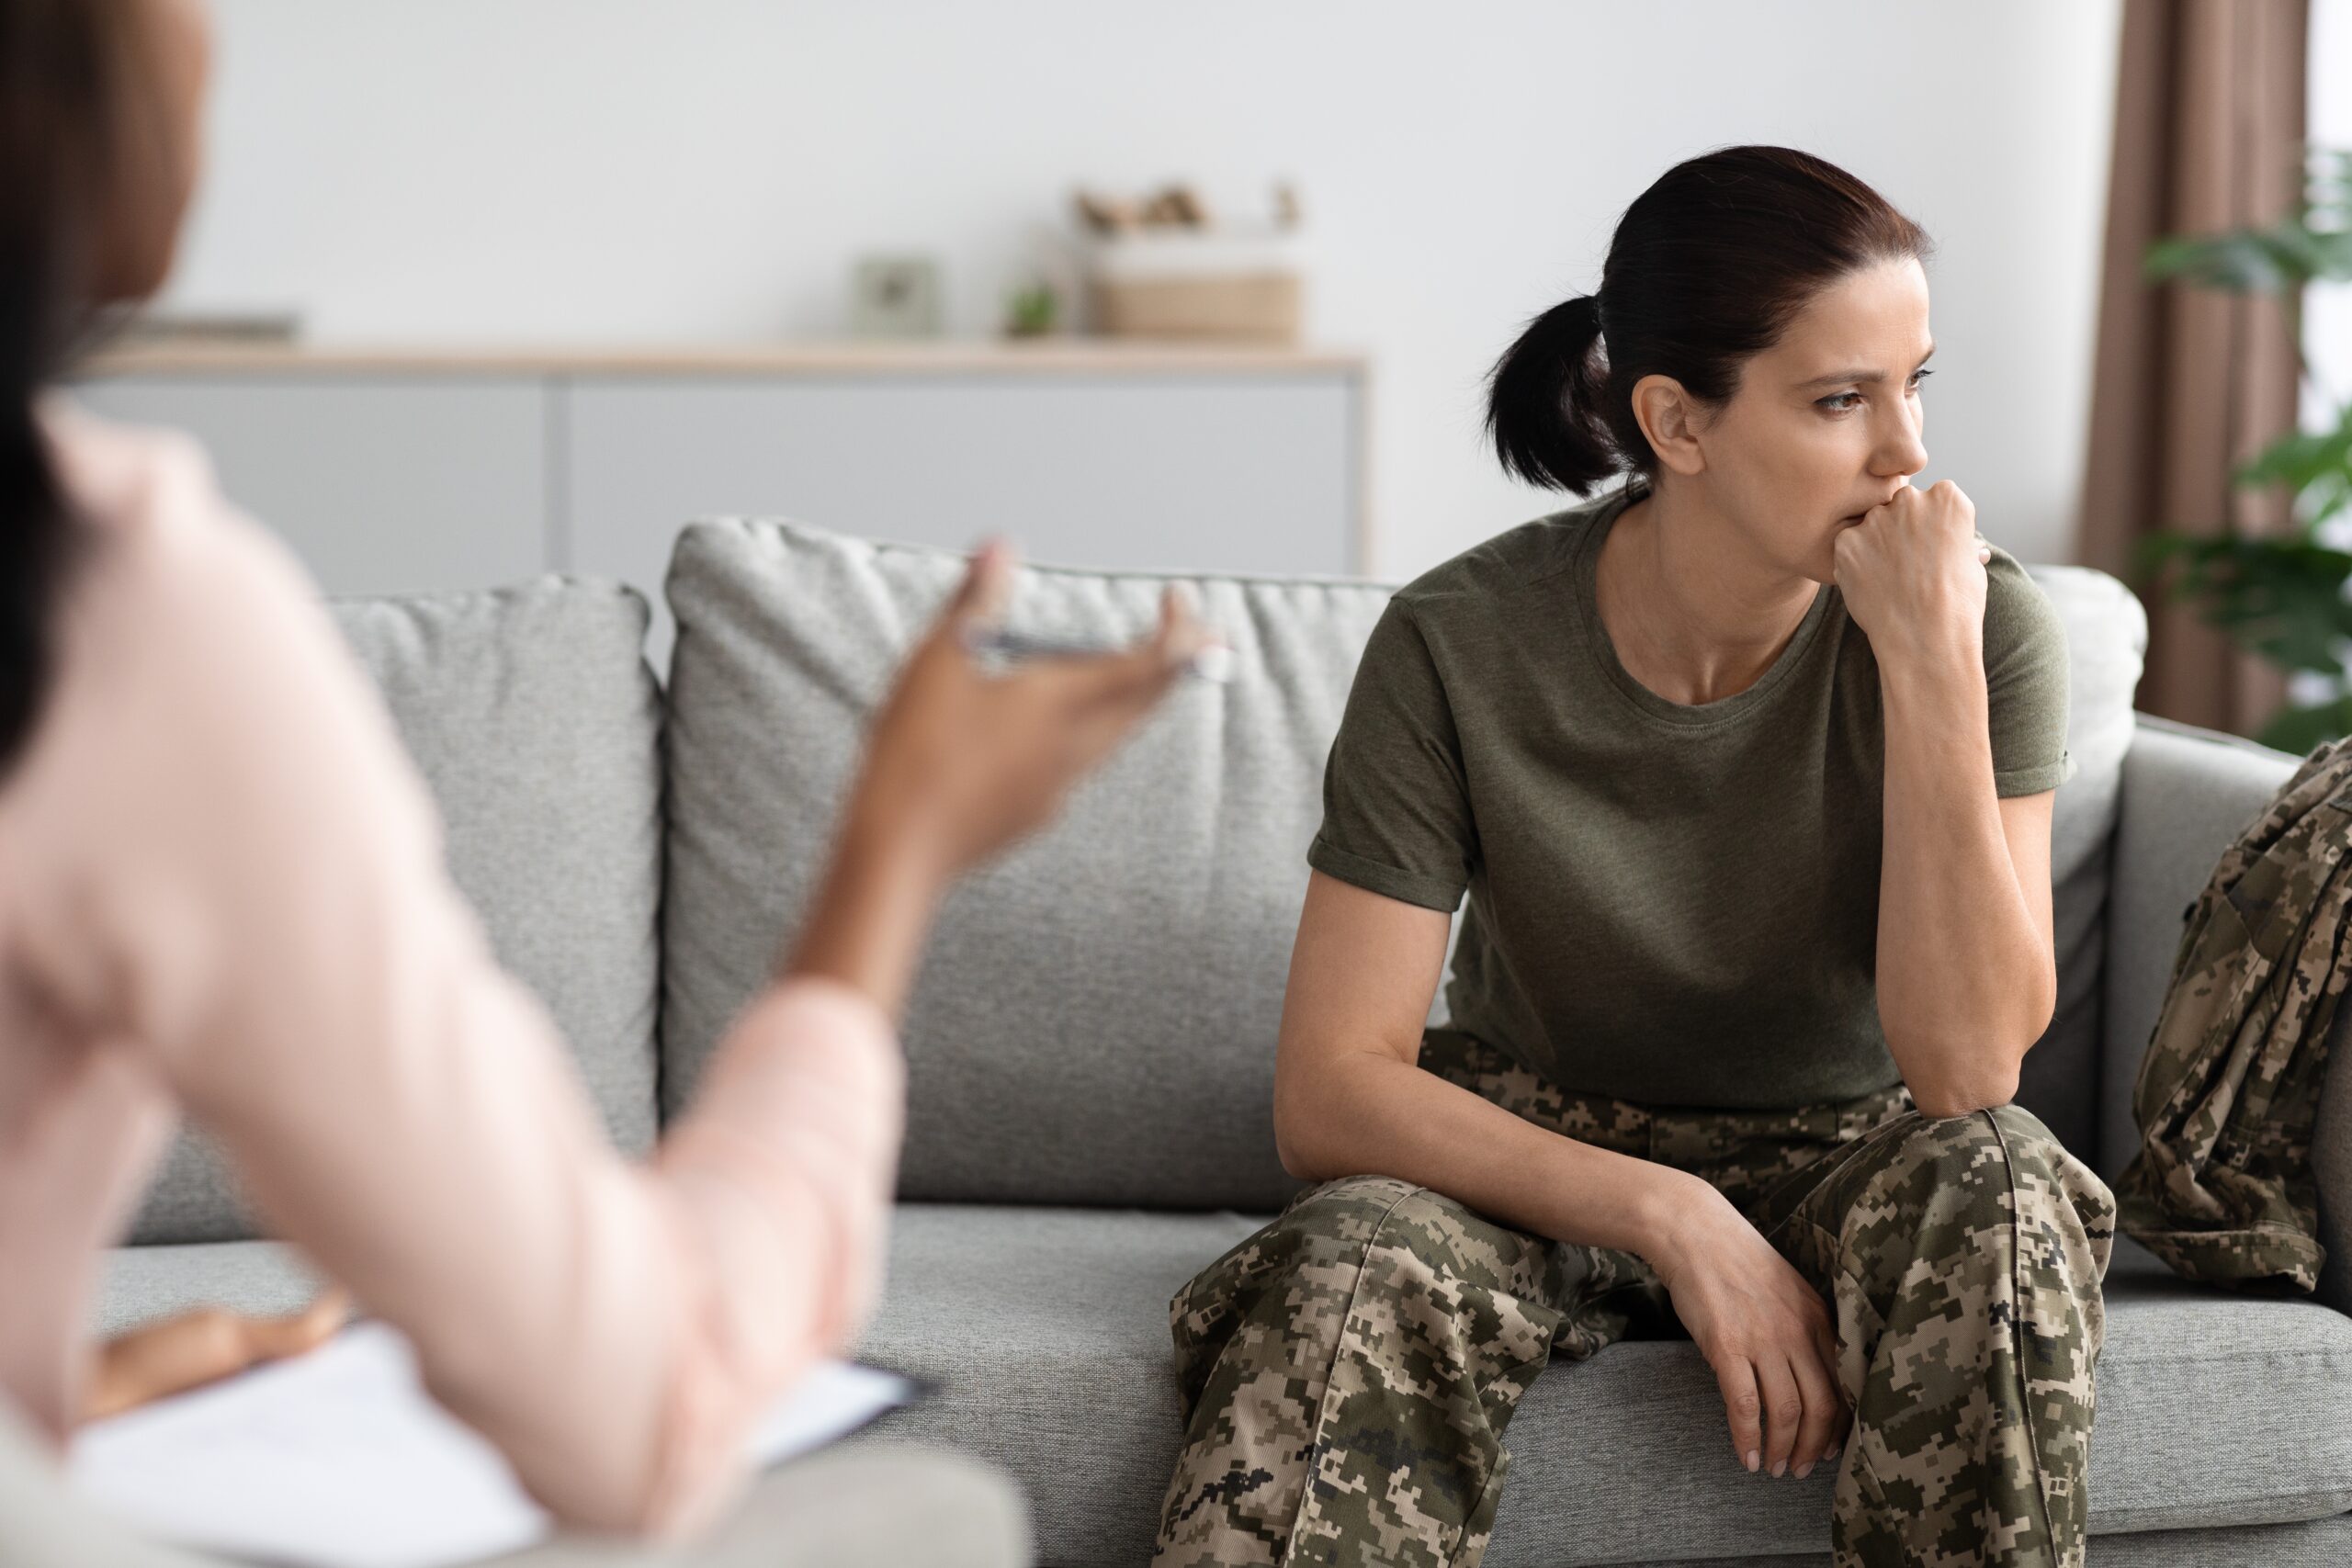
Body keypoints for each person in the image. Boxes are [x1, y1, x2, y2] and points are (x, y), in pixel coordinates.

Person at [0, 0, 1212, 1562]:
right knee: (924, 1516)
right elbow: (643, 1405)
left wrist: (57, 1403)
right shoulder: (113, 614)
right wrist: (896, 851)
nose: (213, 45)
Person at [1153, 145, 2116, 1568]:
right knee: (1354, 1256)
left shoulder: (1980, 631)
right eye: (1841, 401)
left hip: (1845, 1154)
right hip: (1532, 1153)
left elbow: (1966, 1073)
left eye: (1916, 385)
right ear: (1677, 421)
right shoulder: (1457, 644)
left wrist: (1930, 669)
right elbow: (1333, 1087)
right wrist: (1676, 1215)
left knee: (2006, 1181)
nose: (1906, 454)